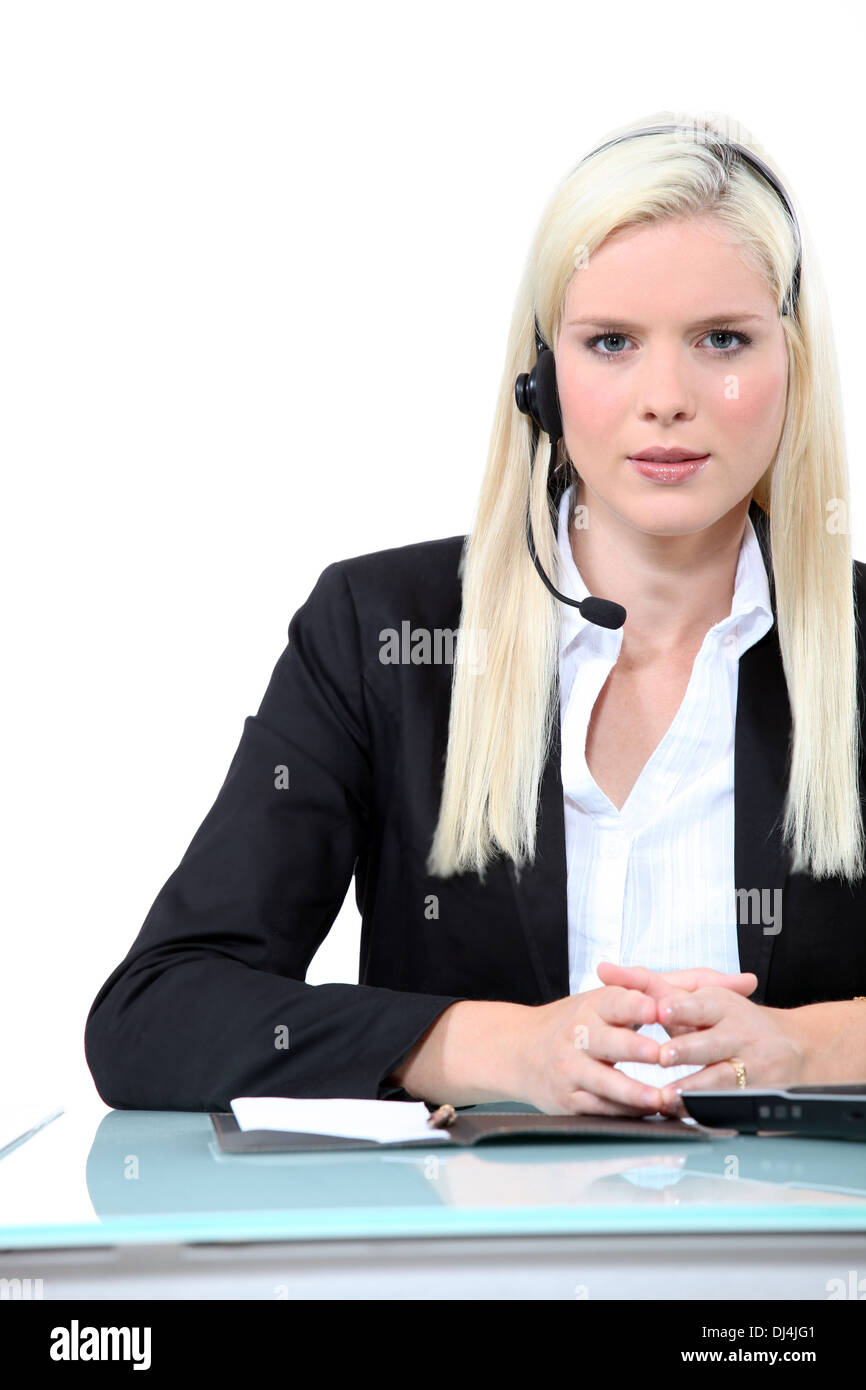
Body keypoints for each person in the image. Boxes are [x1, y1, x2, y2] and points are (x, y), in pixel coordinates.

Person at [84, 110, 866, 1120]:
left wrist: (811, 1044)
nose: (665, 396)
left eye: (721, 338)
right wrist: (482, 1043)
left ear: (790, 366)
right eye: (610, 343)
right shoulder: (379, 633)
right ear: (539, 382)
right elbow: (154, 1015)